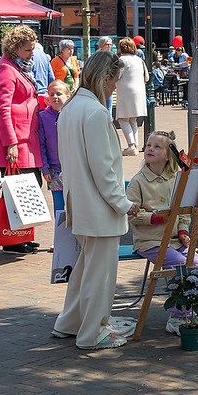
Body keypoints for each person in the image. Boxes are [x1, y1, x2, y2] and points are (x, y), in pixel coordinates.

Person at [52, 50, 141, 350]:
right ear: (104, 78)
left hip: (79, 202)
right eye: (114, 81)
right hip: (98, 206)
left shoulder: (71, 108)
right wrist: (125, 204)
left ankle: (70, 322)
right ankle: (93, 331)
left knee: (85, 269)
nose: (115, 88)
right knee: (99, 275)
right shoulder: (95, 112)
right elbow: (103, 171)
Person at [126, 130, 198, 335]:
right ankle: (177, 315)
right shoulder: (138, 181)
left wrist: (183, 230)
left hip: (174, 240)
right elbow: (130, 215)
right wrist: (155, 218)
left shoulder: (176, 179)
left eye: (157, 146)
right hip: (150, 241)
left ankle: (197, 312)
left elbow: (184, 210)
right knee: (181, 265)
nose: (150, 149)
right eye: (148, 145)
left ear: (168, 154)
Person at [0, 25, 43, 254]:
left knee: (30, 187)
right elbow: (2, 109)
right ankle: (13, 239)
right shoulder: (6, 70)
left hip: (25, 139)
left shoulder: (16, 67)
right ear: (17, 48)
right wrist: (11, 143)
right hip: (16, 141)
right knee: (21, 189)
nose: (32, 53)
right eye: (29, 49)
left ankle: (22, 235)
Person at [38, 80, 71, 217]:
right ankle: (61, 237)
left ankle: (76, 236)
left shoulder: (73, 114)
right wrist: (45, 168)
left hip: (73, 168)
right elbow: (41, 144)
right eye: (51, 94)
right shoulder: (43, 117)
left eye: (59, 93)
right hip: (54, 169)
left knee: (75, 204)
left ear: (68, 96)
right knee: (59, 207)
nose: (55, 97)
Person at [115, 37, 149, 156]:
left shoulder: (122, 60)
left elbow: (116, 75)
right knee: (133, 119)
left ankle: (131, 146)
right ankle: (135, 144)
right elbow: (147, 77)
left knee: (122, 119)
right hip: (139, 91)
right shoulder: (139, 60)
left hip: (126, 91)